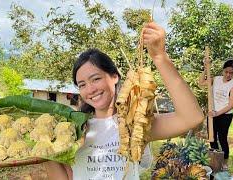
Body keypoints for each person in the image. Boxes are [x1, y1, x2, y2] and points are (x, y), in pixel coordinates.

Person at [44, 22, 204, 180]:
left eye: (96, 79)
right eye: (82, 85)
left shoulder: (135, 125)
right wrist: (44, 150)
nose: (90, 89)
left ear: (114, 77)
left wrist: (160, 57)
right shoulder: (74, 129)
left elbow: (192, 117)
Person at [199, 58, 233, 170]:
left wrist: (217, 113)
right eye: (226, 71)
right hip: (212, 114)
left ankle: (224, 162)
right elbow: (201, 83)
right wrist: (206, 68)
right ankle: (215, 161)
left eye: (231, 72)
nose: (228, 74)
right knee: (212, 138)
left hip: (225, 115)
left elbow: (231, 105)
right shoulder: (216, 79)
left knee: (222, 138)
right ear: (223, 70)